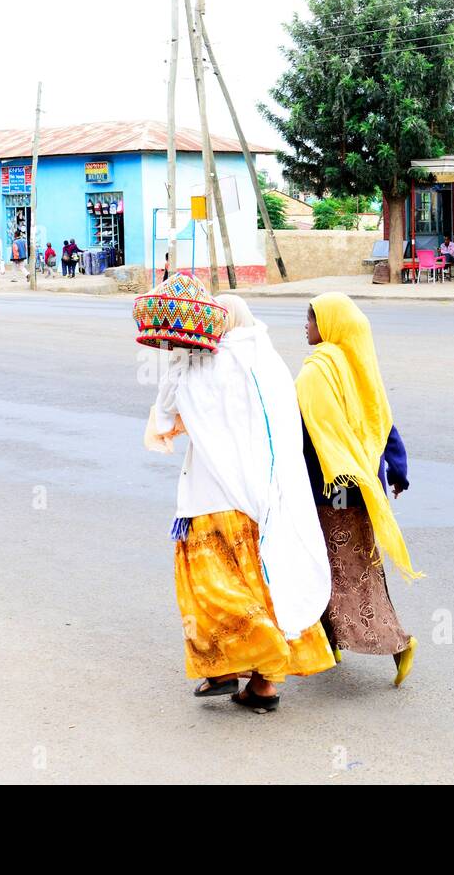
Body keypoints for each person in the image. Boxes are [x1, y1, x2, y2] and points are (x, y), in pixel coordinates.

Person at [147, 293, 334, 712]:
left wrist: (179, 357)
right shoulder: (270, 363)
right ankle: (263, 686)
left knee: (214, 589)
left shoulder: (198, 364)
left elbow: (164, 415)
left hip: (210, 498)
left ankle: (228, 667)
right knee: (268, 583)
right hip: (266, 501)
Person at [296, 292, 422, 687]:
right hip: (360, 485)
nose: (306, 326)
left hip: (329, 489)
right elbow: (382, 424)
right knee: (342, 568)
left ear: (329, 326)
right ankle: (329, 642)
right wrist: (398, 473)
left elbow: (303, 435)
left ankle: (398, 642)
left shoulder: (318, 371)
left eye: (311, 319)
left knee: (343, 572)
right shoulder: (357, 367)